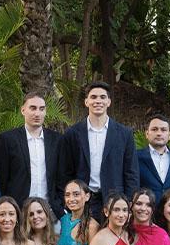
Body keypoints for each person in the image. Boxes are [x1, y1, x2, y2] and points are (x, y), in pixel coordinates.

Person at [58, 81, 139, 219]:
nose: (98, 101)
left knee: (113, 240)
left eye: (102, 97)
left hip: (115, 200)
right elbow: (65, 171)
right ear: (86, 101)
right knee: (83, 240)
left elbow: (131, 171)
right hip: (83, 200)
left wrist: (129, 200)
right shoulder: (72, 133)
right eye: (93, 97)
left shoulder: (124, 134)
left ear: (109, 102)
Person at [0, 94, 62, 217]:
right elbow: (1, 179)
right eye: (33, 108)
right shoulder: (7, 139)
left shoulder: (57, 140)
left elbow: (61, 177)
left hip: (50, 211)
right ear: (23, 110)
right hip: (18, 211)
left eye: (41, 109)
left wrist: (59, 205)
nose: (37, 113)